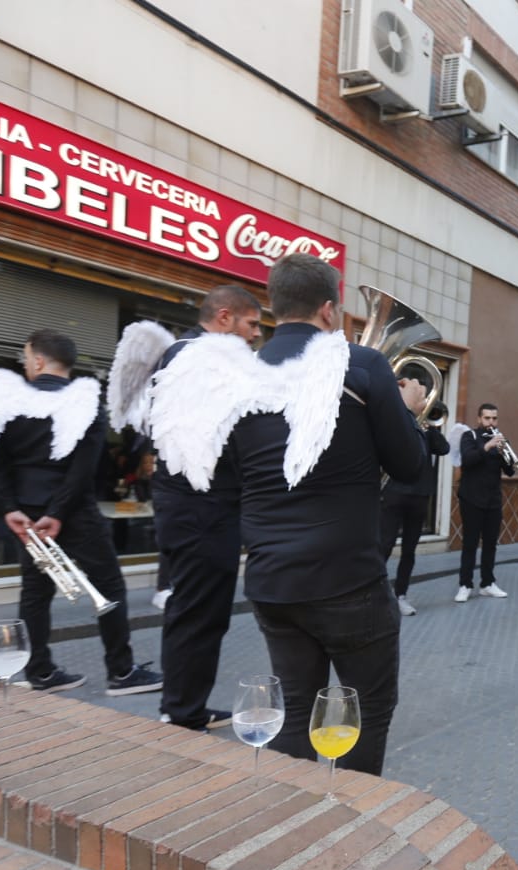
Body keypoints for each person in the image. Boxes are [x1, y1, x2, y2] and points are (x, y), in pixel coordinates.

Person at [148, 253, 428, 776]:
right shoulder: (362, 366)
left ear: (274, 308)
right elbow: (410, 466)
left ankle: (294, 821)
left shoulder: (236, 378)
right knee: (365, 712)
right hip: (350, 580)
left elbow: (225, 479)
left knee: (297, 712)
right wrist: (409, 414)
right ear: (329, 311)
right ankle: (353, 818)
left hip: (272, 581)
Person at [0, 329, 162, 696]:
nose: (22, 363)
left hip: (27, 513)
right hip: (73, 509)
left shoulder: (5, 402)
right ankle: (121, 671)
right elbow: (85, 469)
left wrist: (10, 509)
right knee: (108, 584)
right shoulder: (84, 401)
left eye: (25, 356)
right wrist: (59, 512)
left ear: (37, 360)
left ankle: (40, 671)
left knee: (35, 591)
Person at [148, 284, 262, 730]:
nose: (255, 335)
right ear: (224, 317)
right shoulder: (200, 356)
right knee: (198, 612)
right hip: (202, 506)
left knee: (200, 612)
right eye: (252, 324)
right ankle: (180, 713)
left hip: (197, 505)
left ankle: (184, 705)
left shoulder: (189, 355)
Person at [380, 401, 450, 616]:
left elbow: (444, 448)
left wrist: (433, 428)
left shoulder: (427, 430)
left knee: (409, 550)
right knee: (384, 545)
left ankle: (401, 595)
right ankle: (376, 595)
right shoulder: (401, 423)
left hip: (419, 495)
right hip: (395, 492)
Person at [454, 402, 514, 602]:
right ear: (479, 419)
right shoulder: (469, 437)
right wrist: (487, 447)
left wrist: (507, 455)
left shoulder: (500, 440)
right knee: (470, 543)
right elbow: (468, 460)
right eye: (487, 418)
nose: (491, 422)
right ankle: (465, 584)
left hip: (493, 500)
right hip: (471, 498)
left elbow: (510, 471)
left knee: (490, 544)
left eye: (494, 418)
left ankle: (487, 583)